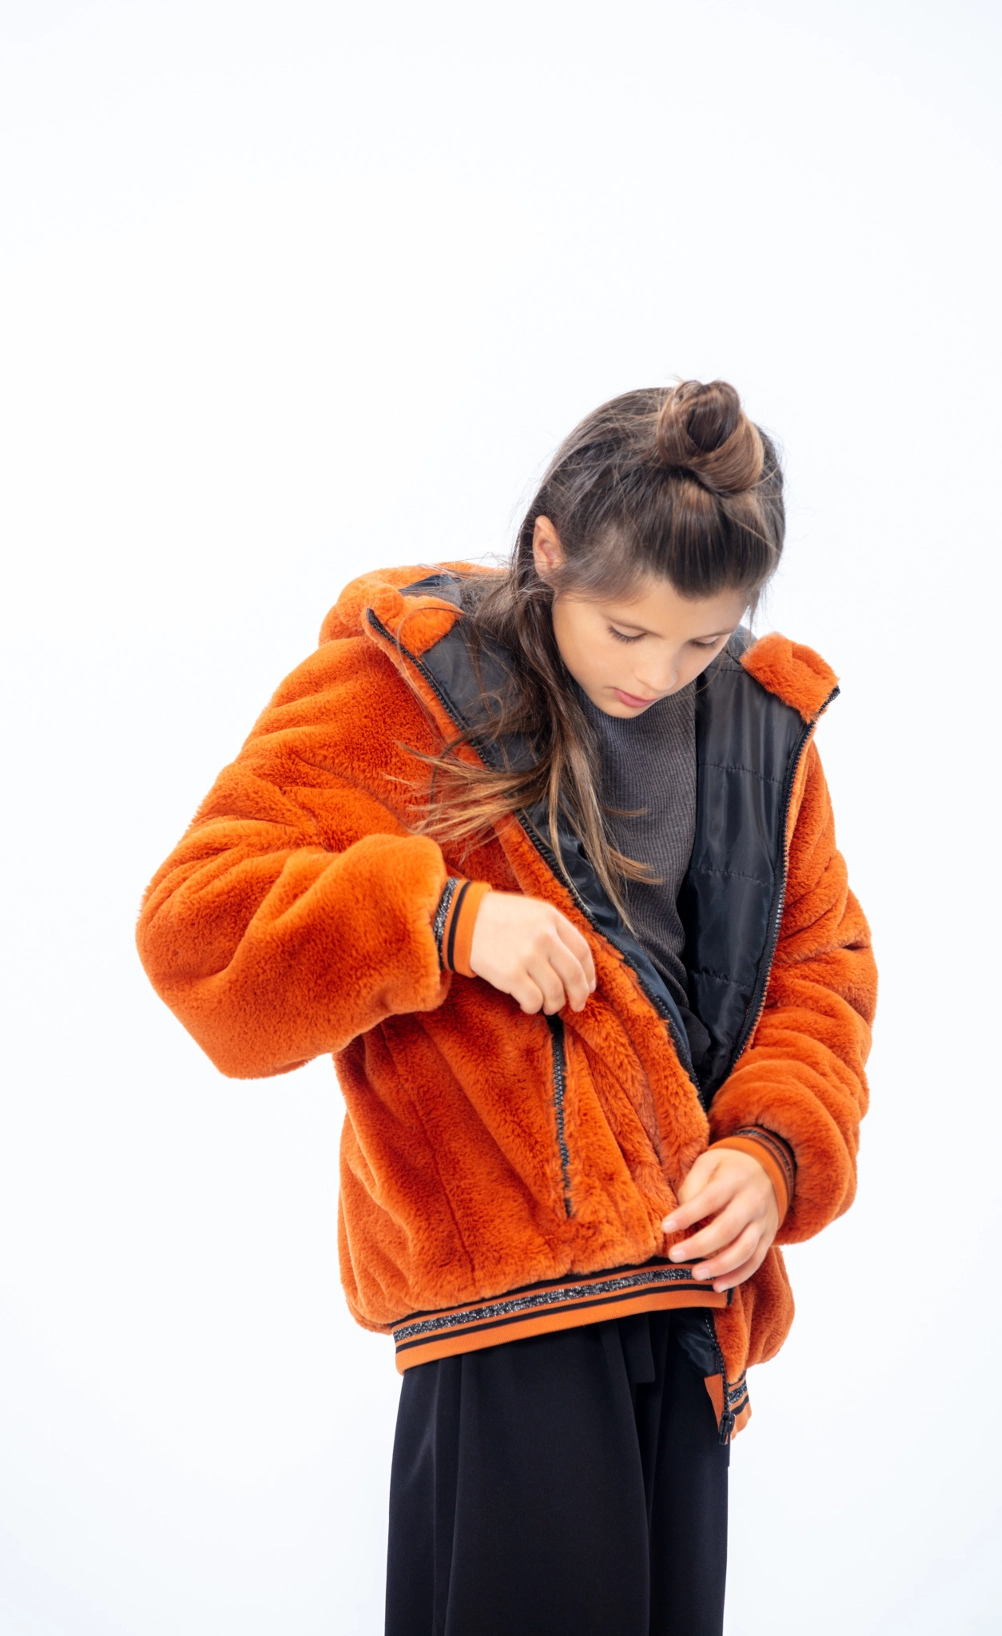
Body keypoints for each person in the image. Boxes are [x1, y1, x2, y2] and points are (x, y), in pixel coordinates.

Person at [137, 379, 877, 1636]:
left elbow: (822, 969)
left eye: (700, 641)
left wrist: (773, 1151)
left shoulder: (761, 734)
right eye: (624, 629)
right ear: (548, 549)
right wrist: (444, 922)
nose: (655, 672)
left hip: (692, 1317)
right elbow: (195, 928)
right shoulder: (409, 685)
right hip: (504, 1320)